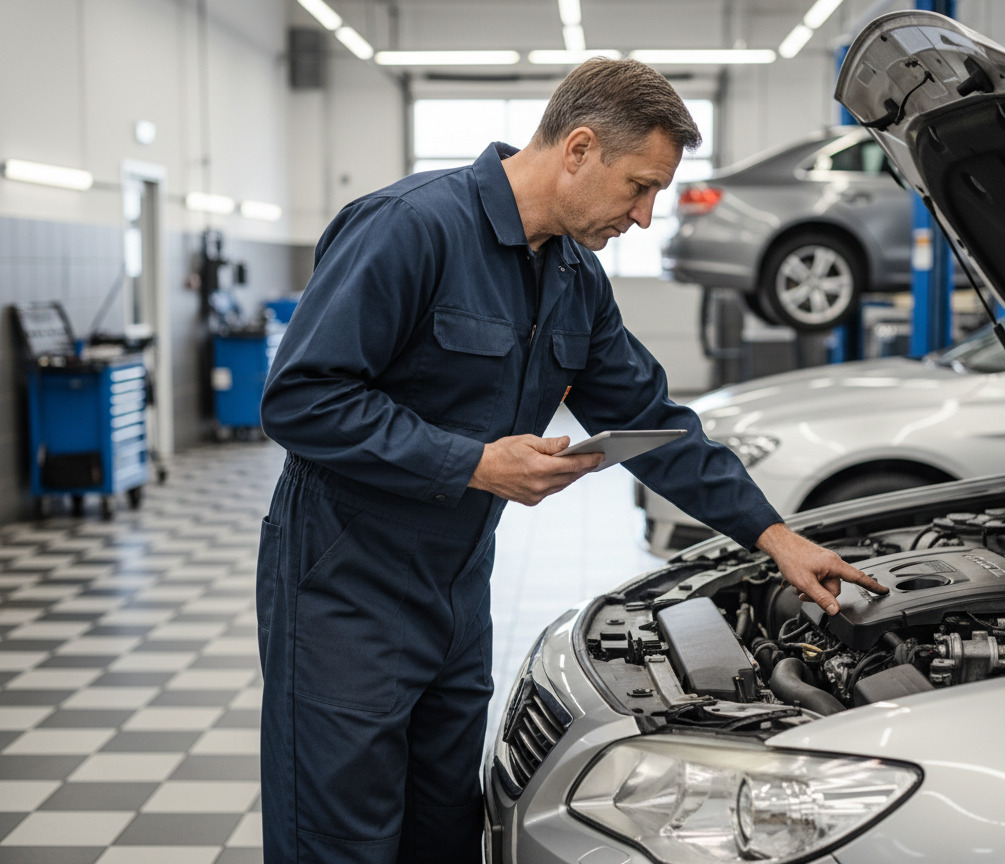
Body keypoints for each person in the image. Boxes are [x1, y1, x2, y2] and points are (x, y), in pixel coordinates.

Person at [255, 57, 887, 864]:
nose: (647, 216)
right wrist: (472, 463)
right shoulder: (409, 228)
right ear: (579, 148)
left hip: (453, 588)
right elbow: (300, 399)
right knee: (340, 835)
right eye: (638, 186)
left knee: (440, 825)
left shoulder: (573, 277)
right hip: (344, 583)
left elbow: (651, 420)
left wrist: (772, 536)